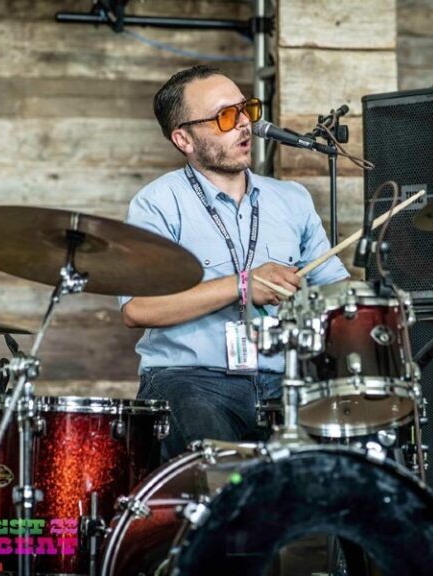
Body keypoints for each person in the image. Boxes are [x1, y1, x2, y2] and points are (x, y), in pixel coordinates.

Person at [119, 64, 348, 460]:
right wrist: (242, 285)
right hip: (191, 381)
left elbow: (337, 290)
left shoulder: (292, 200)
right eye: (226, 116)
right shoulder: (157, 203)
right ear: (184, 139)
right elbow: (137, 308)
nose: (245, 125)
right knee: (222, 471)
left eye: (246, 110)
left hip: (286, 381)